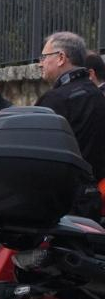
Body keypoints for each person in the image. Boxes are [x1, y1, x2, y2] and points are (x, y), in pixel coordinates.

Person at [36, 31, 105, 219]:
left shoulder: (56, 100)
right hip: (93, 201)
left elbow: (37, 153)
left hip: (58, 206)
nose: (40, 63)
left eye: (44, 57)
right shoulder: (98, 96)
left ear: (60, 58)